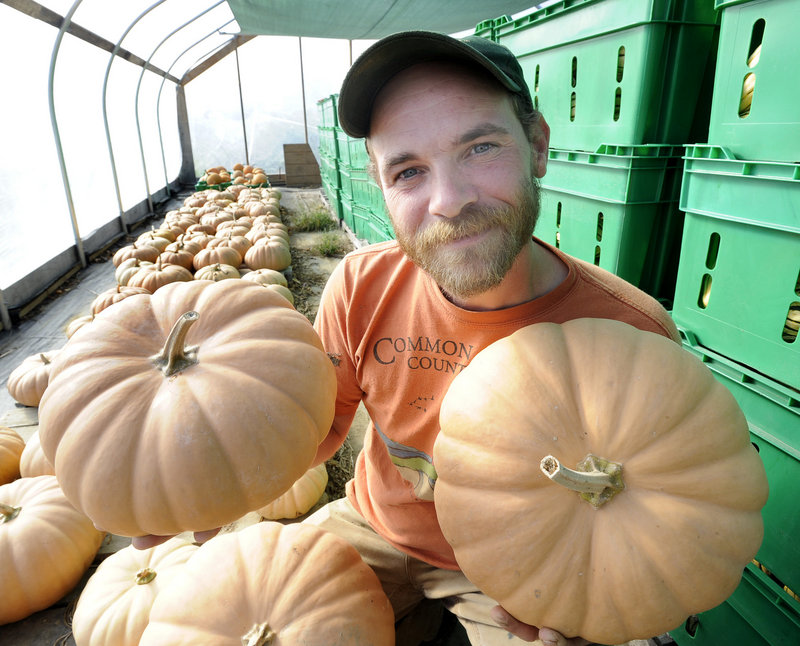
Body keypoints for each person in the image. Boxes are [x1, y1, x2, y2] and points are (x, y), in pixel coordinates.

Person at [301, 30, 680, 646]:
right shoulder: (359, 287)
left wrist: (594, 590)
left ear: (537, 146)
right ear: (379, 183)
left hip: (525, 572)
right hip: (375, 527)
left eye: (479, 147)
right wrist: (206, 472)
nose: (448, 202)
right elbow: (310, 435)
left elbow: (662, 514)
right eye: (409, 171)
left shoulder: (631, 333)